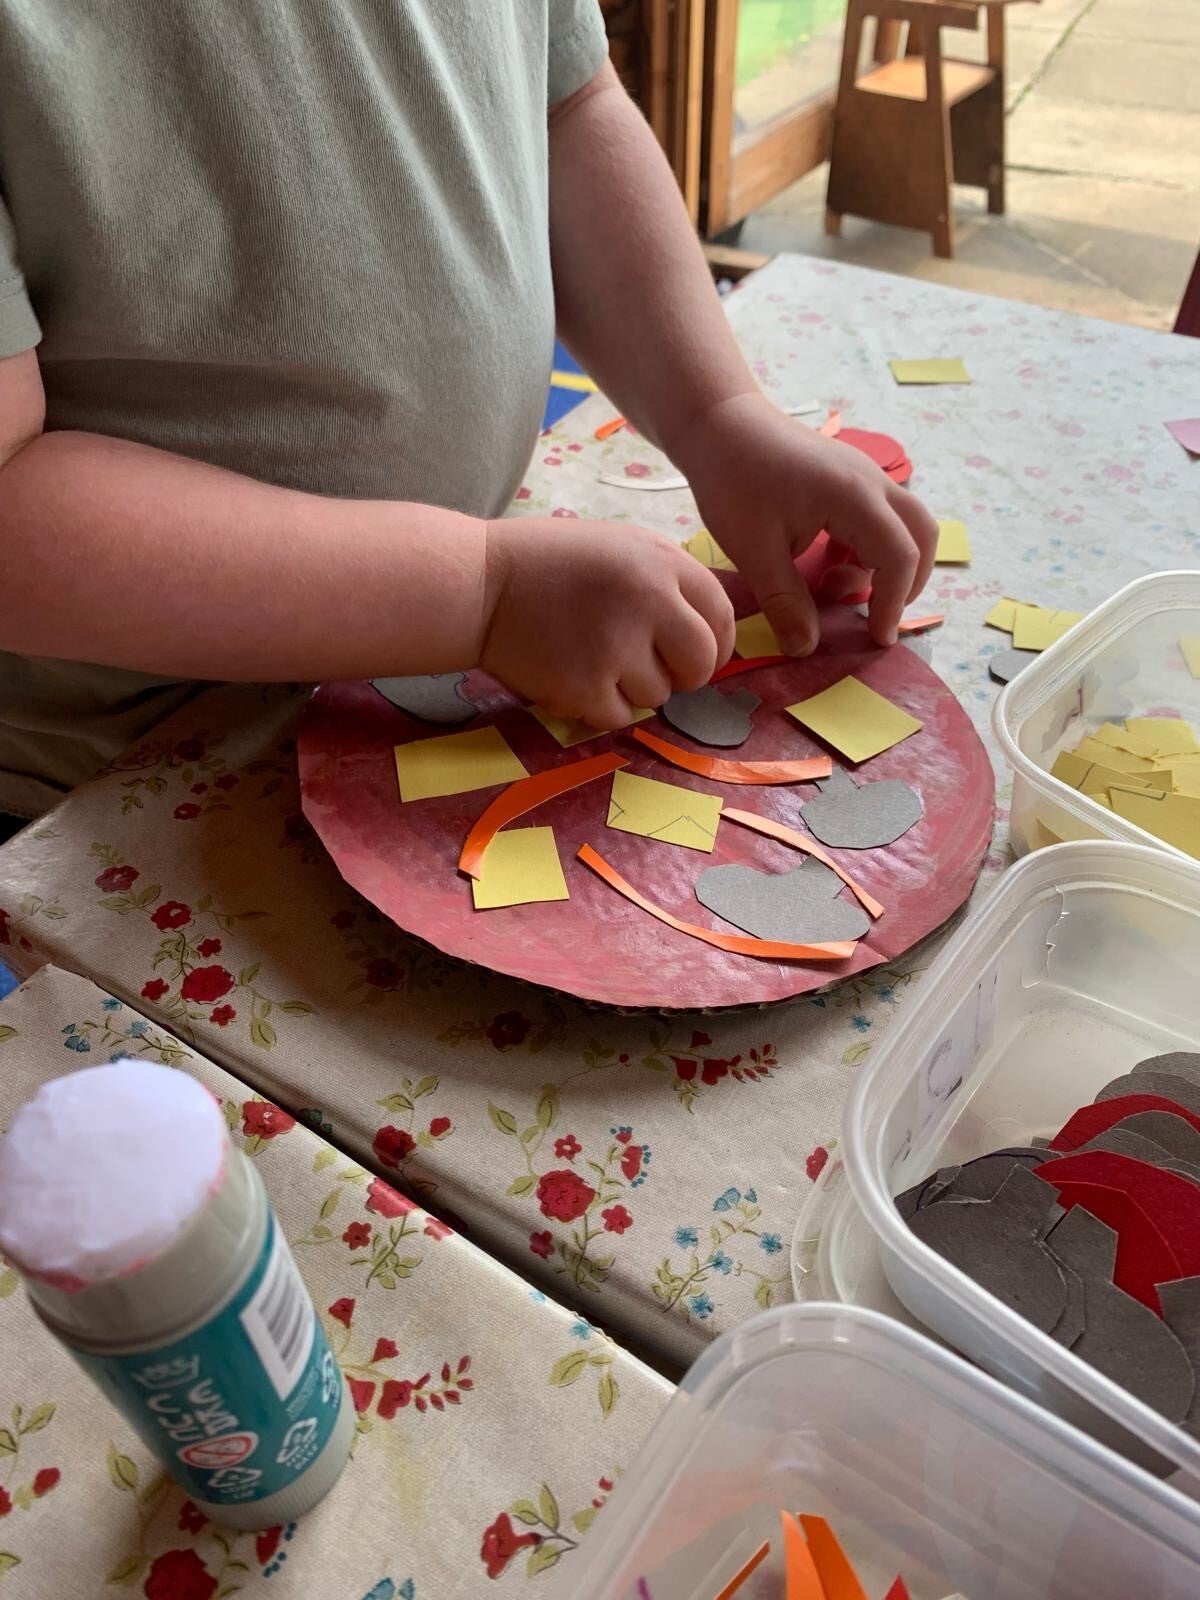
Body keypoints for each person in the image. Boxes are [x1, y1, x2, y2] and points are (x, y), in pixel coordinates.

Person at [0, 2, 937, 825]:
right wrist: (481, 592)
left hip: (471, 648)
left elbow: (569, 106)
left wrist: (716, 412)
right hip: (145, 764)